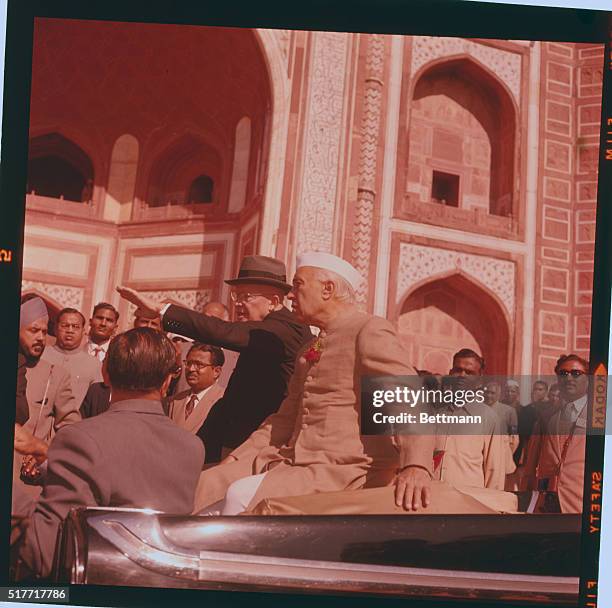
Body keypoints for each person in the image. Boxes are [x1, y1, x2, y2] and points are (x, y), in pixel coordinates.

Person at [186, 252, 433, 515]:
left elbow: (408, 398)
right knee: (208, 482)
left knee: (240, 496)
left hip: (344, 469)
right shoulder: (310, 347)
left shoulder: (369, 329)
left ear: (328, 289)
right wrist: (239, 456)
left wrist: (416, 465)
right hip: (292, 462)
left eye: (298, 285)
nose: (290, 295)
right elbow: (284, 418)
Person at [18, 328, 205, 579]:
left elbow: (45, 552)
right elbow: (130, 482)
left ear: (105, 374)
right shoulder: (191, 446)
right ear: (166, 382)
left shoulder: (81, 438)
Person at [117, 255, 313, 462]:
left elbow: (222, 331)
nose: (238, 304)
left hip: (259, 448)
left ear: (273, 302)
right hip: (229, 439)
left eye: (246, 297)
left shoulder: (285, 329)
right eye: (236, 296)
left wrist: (161, 310)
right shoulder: (261, 327)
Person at [12, 298, 80, 521]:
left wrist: (45, 453)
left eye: (44, 331)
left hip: (27, 489)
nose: (41, 337)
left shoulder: (56, 375)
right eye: (33, 330)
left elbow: (71, 429)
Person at [423, 350, 506, 491]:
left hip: (469, 502)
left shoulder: (488, 418)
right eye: (458, 370)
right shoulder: (433, 412)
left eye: (469, 372)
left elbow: (494, 471)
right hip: (432, 497)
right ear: (450, 374)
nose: (462, 376)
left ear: (479, 379)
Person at [523, 354, 589, 513]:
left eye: (576, 373)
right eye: (563, 373)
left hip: (583, 505)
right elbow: (531, 466)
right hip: (547, 505)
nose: (569, 378)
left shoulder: (601, 416)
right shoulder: (546, 417)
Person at [42, 308, 102, 406]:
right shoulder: (41, 355)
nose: (70, 330)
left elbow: (96, 402)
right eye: (65, 326)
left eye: (75, 327)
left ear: (83, 332)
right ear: (55, 329)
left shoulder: (94, 365)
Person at [166, 344, 225, 433]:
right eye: (188, 363)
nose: (191, 369)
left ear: (216, 371)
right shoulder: (174, 400)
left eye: (199, 364)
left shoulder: (223, 401)